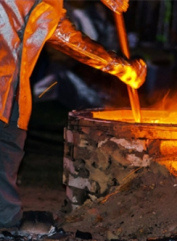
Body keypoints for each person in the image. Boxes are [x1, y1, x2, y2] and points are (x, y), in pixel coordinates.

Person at [0, 0, 146, 229]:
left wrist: (120, 67)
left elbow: (70, 40)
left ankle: (6, 223)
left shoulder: (51, 6)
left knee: (9, 147)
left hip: (13, 91)